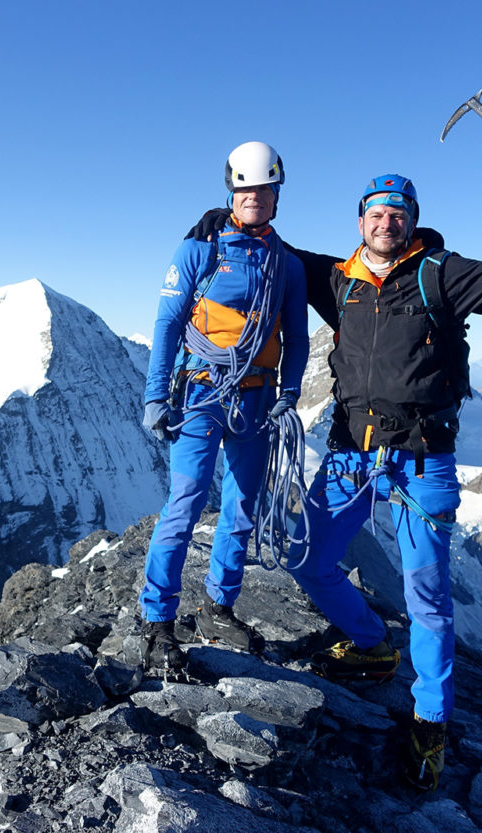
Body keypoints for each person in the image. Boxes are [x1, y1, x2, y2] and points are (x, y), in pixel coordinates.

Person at [187, 150, 482, 790]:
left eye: (397, 214)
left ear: (411, 222)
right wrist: (227, 222)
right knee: (309, 560)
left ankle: (430, 722)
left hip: (423, 460)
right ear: (360, 221)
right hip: (349, 455)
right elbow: (276, 253)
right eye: (376, 213)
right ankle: (370, 644)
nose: (386, 222)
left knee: (428, 600)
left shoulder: (441, 275)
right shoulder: (339, 279)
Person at [140, 141, 309, 675]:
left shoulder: (287, 264)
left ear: (276, 193)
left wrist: (289, 392)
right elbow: (169, 324)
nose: (254, 197)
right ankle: (157, 620)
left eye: (263, 188)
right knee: (186, 502)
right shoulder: (199, 250)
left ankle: (218, 606)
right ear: (232, 191)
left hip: (257, 397)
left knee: (241, 508)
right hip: (202, 390)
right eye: (246, 188)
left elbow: (298, 337)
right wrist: (154, 393)